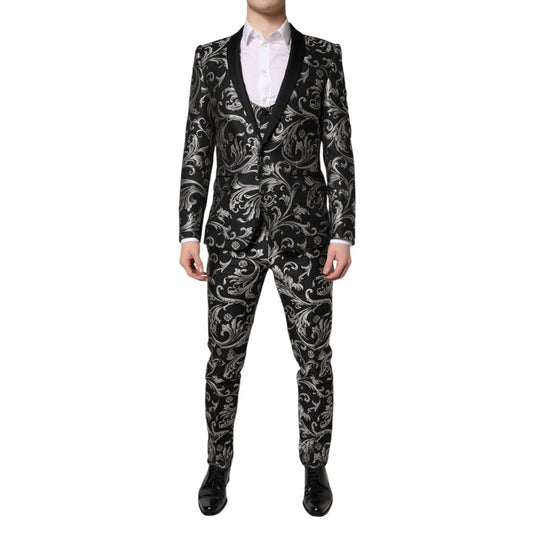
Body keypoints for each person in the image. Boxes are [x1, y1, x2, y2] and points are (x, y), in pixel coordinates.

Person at [178, 0, 355, 517]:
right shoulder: (210, 58)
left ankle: (315, 466)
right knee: (223, 359)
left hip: (306, 236)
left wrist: (342, 231)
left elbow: (338, 148)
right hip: (231, 235)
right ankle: (217, 464)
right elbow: (197, 147)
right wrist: (188, 231)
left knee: (314, 357)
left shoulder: (323, 57)